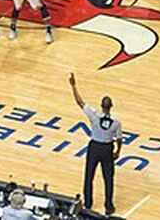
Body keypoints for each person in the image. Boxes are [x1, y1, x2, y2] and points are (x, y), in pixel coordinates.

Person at [68, 73, 121, 217]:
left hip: (94, 147)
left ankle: (88, 203)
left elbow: (80, 102)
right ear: (111, 107)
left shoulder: (94, 115)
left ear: (102, 106)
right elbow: (119, 138)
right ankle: (109, 206)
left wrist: (73, 86)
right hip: (107, 148)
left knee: (89, 175)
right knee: (108, 178)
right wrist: (118, 152)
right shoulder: (116, 121)